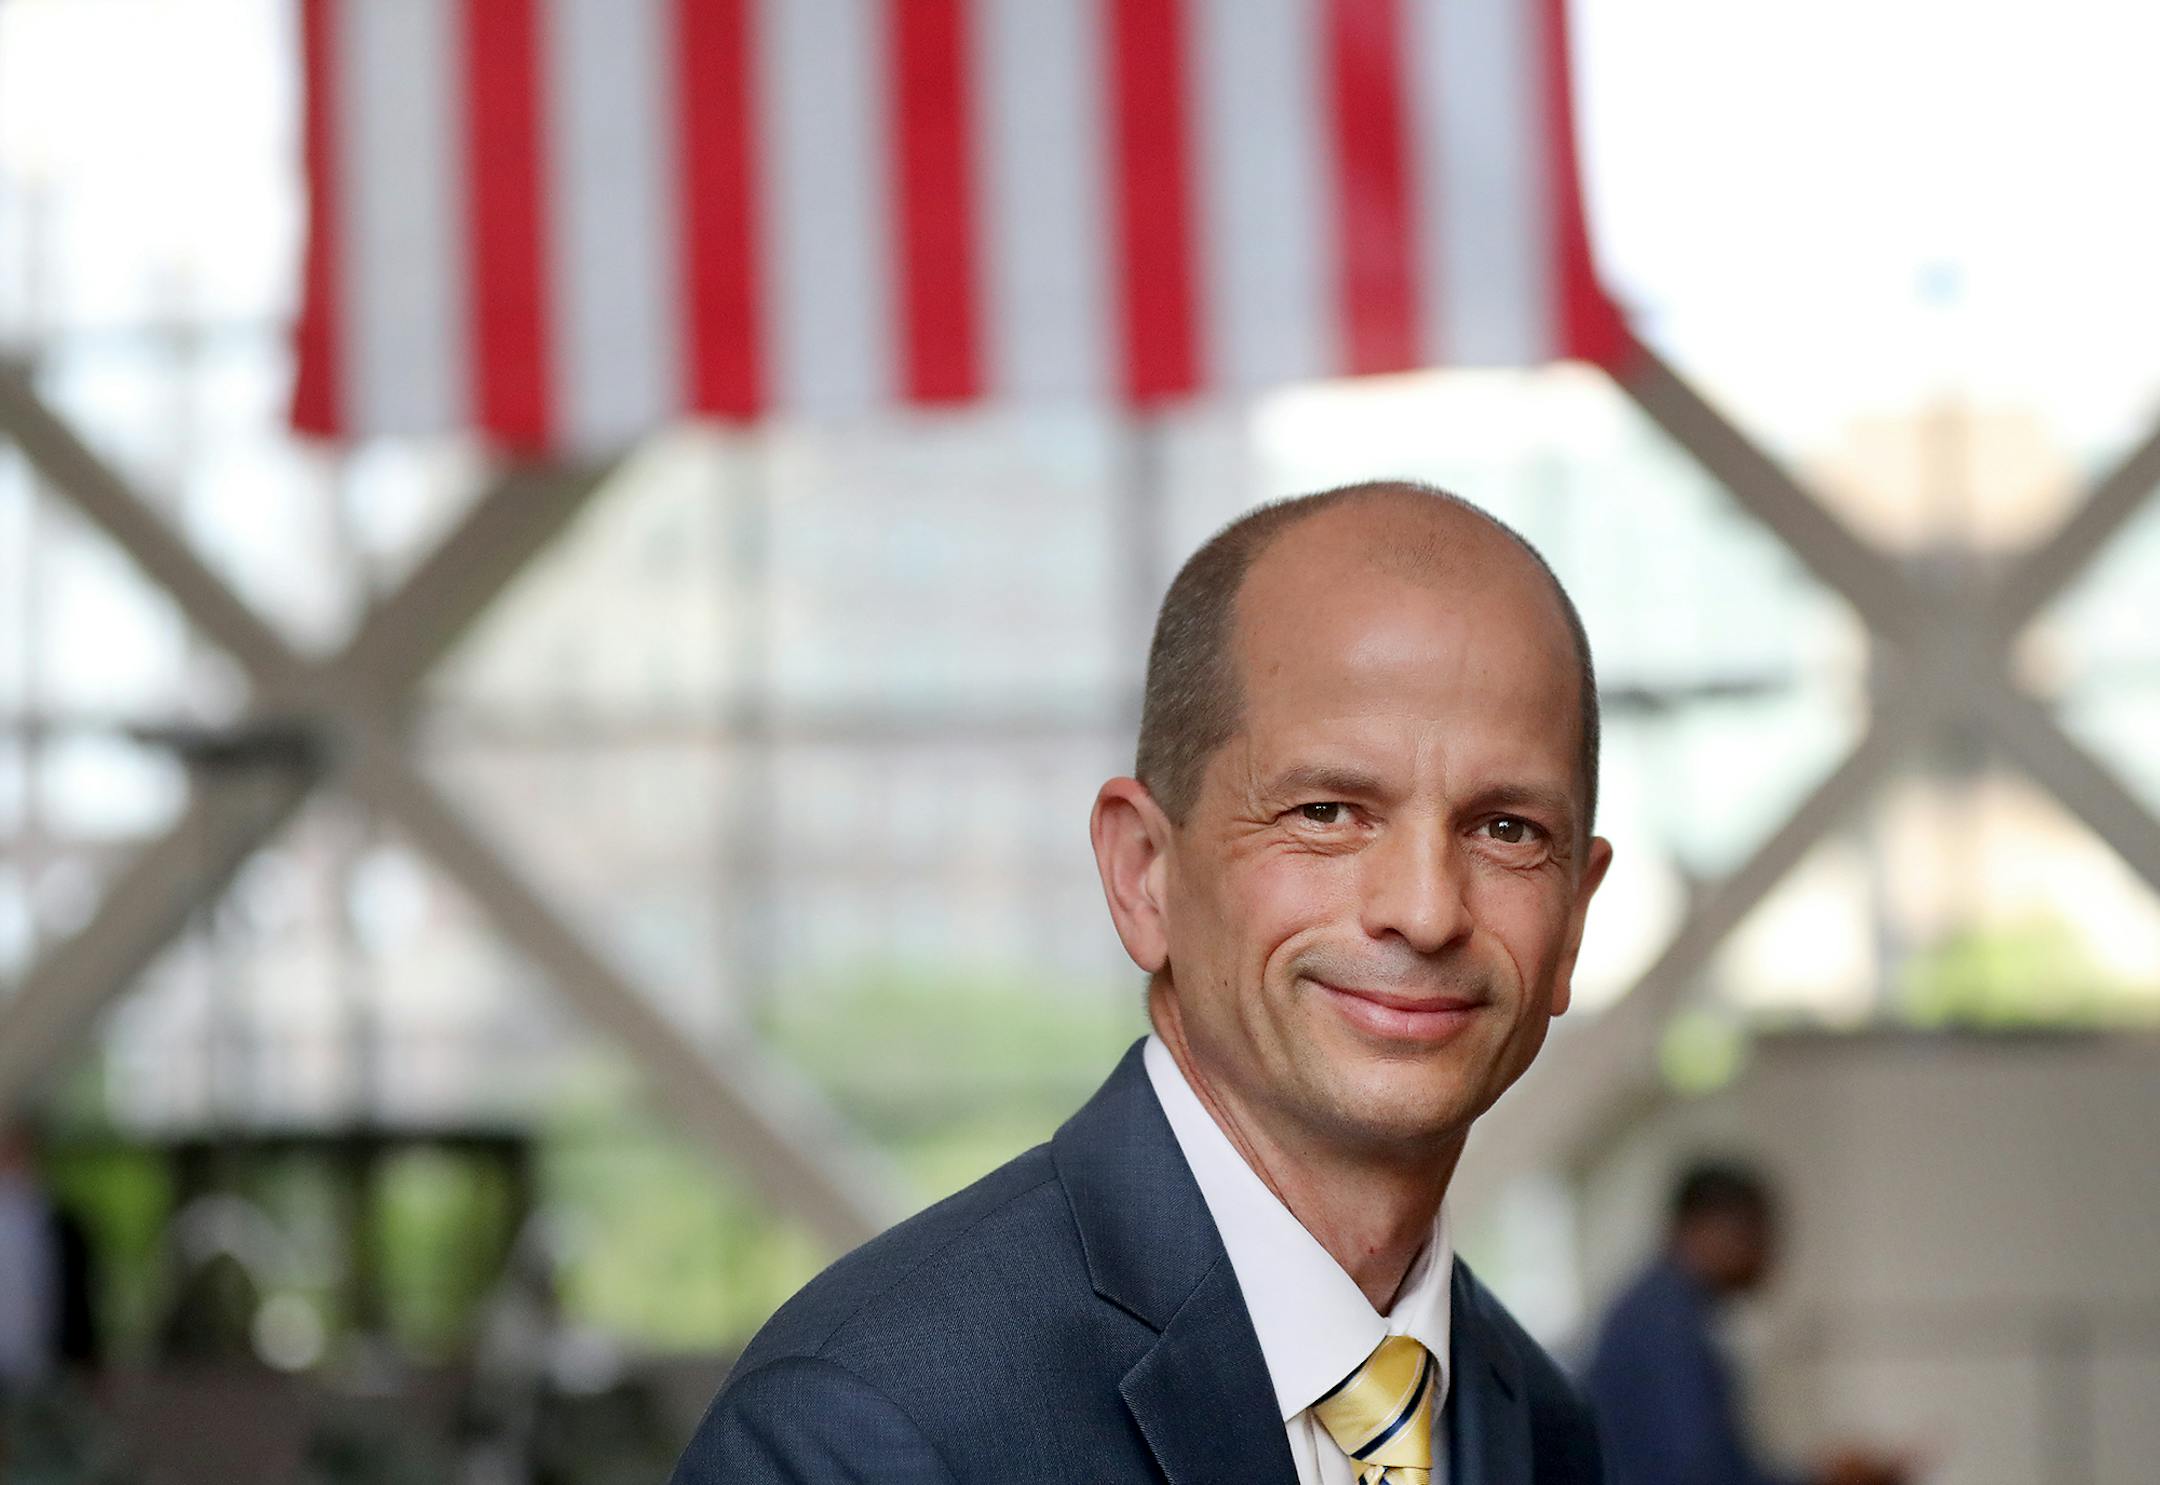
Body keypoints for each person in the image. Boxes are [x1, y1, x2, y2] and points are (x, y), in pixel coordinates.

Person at [673, 482, 1614, 1483]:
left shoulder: (1539, 1426)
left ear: (1573, 922)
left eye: (1508, 829)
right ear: (1142, 874)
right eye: (1329, 811)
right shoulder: (866, 1428)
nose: (1426, 912)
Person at [1581, 1160, 1911, 1485]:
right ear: (1711, 1228)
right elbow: (1699, 1473)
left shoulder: (1661, 1307)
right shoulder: (1666, 1323)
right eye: (1758, 1232)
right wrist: (1821, 1477)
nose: (1768, 1253)